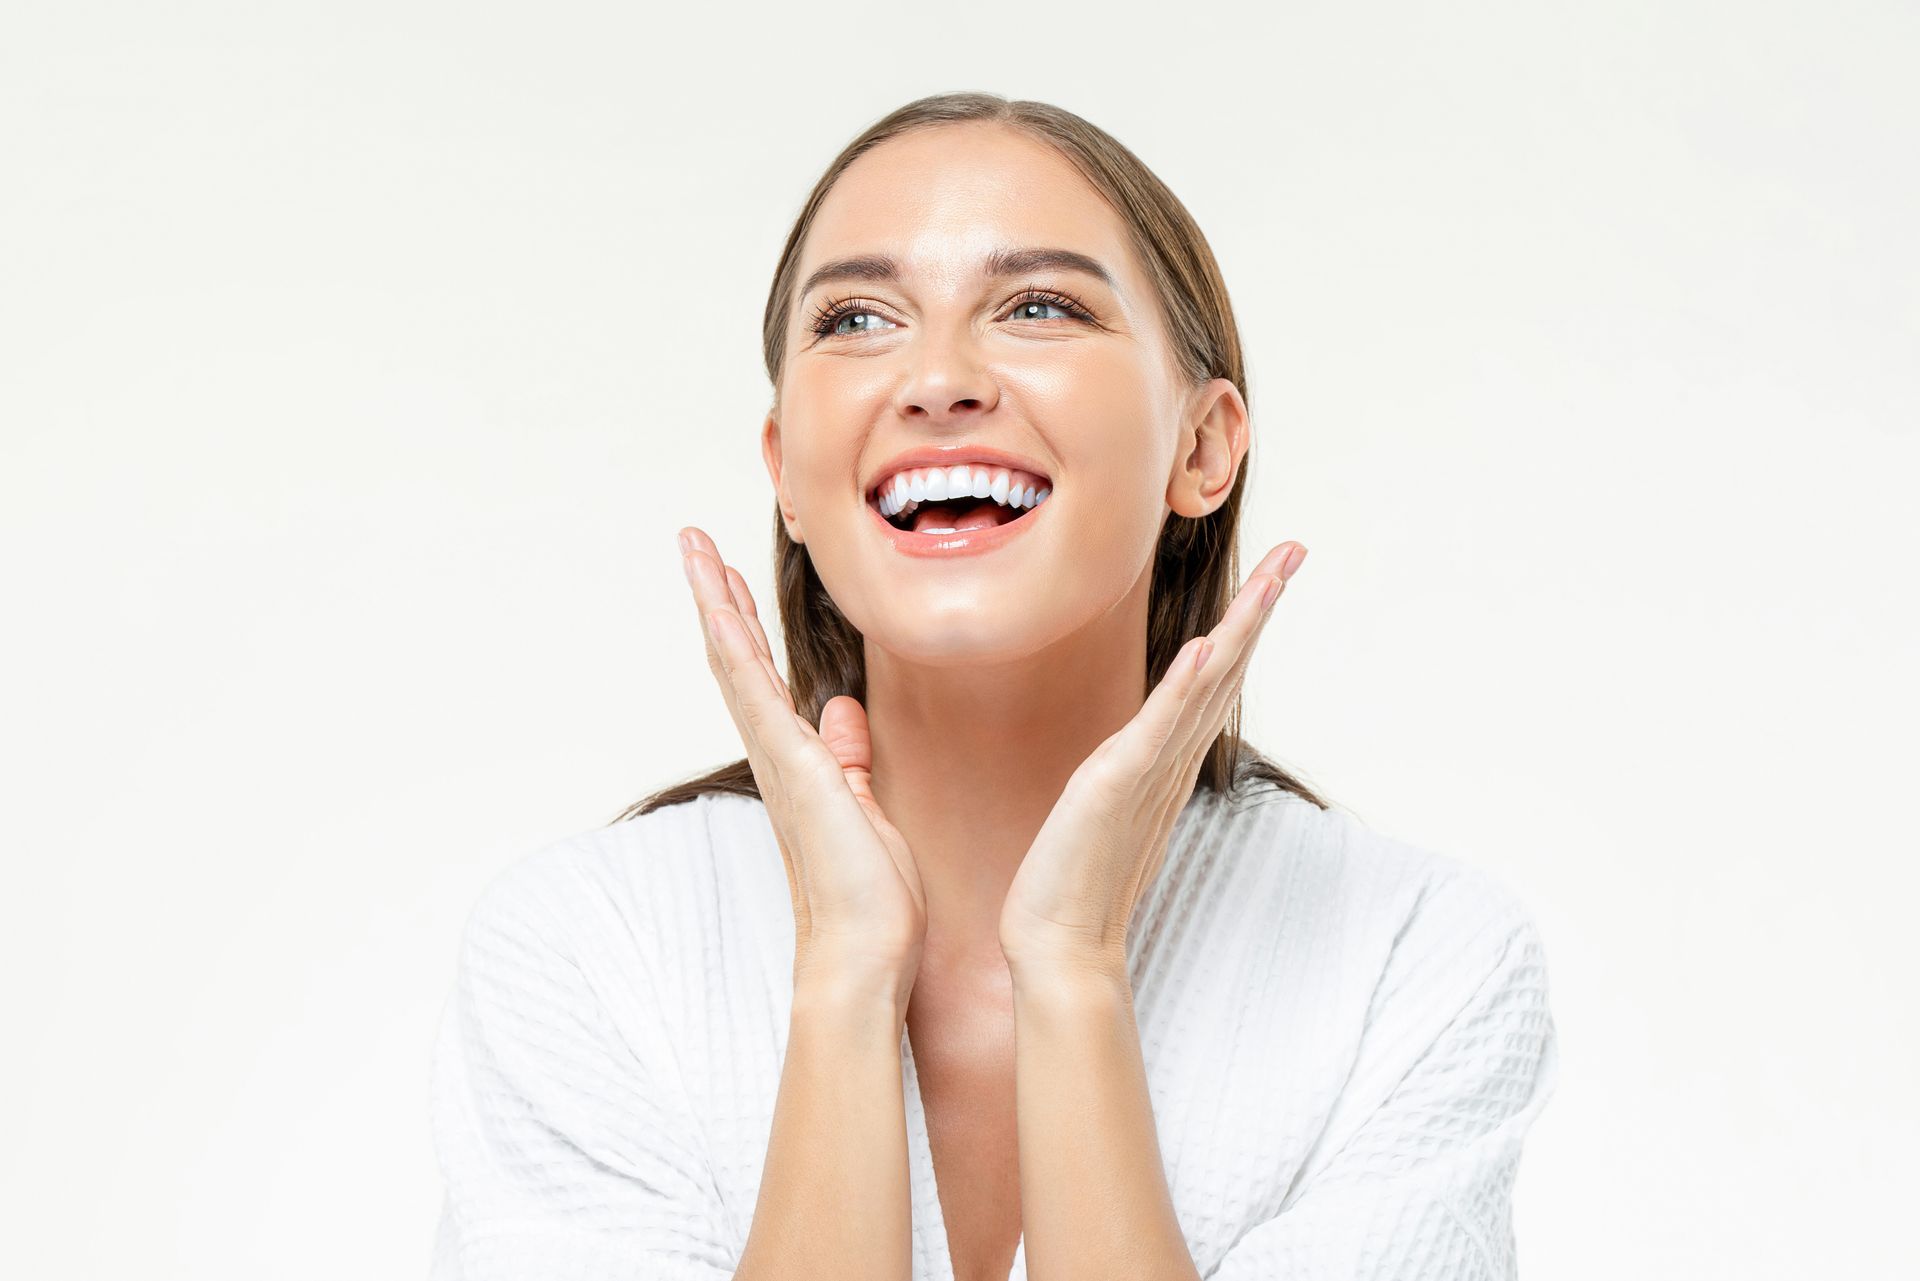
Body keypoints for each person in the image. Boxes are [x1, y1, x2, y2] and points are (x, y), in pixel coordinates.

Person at [428, 92, 1558, 1281]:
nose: (937, 378)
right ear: (788, 477)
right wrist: (845, 973)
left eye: (1039, 306)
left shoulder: (1415, 962)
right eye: (858, 319)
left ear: (1204, 448)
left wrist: (1072, 966)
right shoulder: (588, 951)